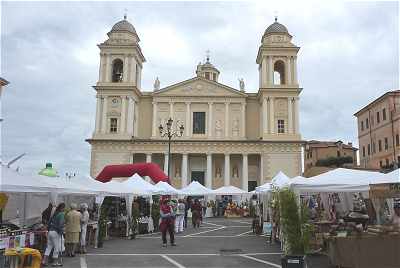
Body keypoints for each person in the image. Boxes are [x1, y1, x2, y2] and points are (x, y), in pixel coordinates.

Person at [42, 203, 65, 267]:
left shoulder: (54, 213)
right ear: (62, 208)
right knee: (56, 247)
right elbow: (60, 224)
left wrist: (49, 229)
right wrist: (61, 231)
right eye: (64, 208)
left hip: (50, 232)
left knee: (49, 247)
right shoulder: (61, 214)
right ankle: (55, 262)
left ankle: (44, 261)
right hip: (55, 232)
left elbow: (49, 223)